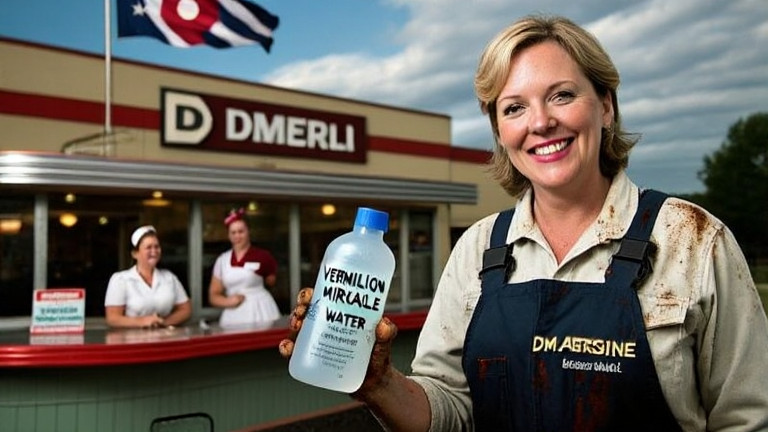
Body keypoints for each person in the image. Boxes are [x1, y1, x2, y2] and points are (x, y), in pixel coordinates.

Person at [279, 14, 768, 431]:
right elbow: (451, 411)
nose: (539, 123)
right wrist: (378, 383)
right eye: (514, 108)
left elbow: (750, 420)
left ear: (605, 105)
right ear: (500, 131)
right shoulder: (477, 249)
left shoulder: (693, 240)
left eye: (561, 95)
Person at [104, 225, 191, 328]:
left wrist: (163, 322)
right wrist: (142, 322)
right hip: (132, 340)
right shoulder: (121, 280)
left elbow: (186, 309)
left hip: (164, 337)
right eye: (148, 247)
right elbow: (112, 318)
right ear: (135, 254)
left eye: (156, 247)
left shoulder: (169, 278)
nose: (154, 251)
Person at [208, 208, 281, 327]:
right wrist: (229, 301)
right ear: (229, 235)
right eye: (233, 232)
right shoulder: (222, 260)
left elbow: (271, 282)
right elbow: (213, 295)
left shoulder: (263, 256)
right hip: (233, 314)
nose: (237, 236)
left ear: (248, 232)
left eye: (241, 231)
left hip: (261, 311)